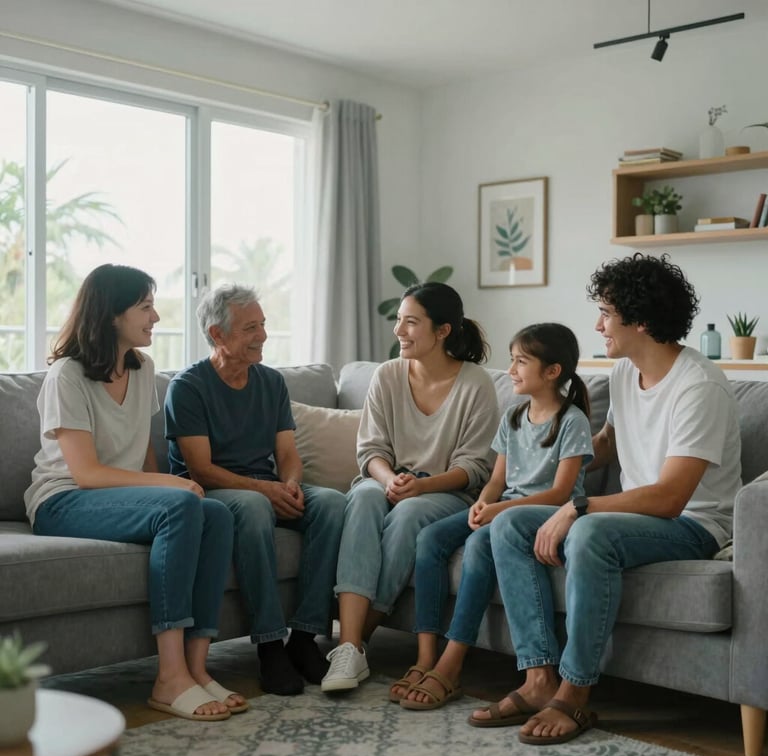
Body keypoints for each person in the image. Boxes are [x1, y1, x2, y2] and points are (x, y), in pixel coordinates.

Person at [470, 253, 741, 744]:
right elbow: (602, 447)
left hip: (695, 525)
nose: (597, 325)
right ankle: (538, 679)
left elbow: (670, 497)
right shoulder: (623, 374)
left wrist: (575, 508)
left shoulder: (699, 387)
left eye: (606, 313)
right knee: (510, 524)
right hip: (636, 514)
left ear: (639, 319)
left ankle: (574, 694)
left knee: (590, 532)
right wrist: (538, 481)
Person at [24, 264, 241, 722]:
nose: (156, 317)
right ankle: (169, 677)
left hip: (115, 498)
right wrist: (171, 488)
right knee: (183, 501)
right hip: (62, 502)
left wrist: (168, 490)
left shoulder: (142, 368)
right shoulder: (66, 375)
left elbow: (140, 449)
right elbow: (85, 473)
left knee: (216, 514)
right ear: (110, 315)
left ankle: (197, 668)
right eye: (145, 307)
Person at [398, 323, 593, 710]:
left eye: (521, 362)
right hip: (503, 507)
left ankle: (452, 663)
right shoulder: (514, 416)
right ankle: (426, 655)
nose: (511, 370)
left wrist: (498, 511)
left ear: (552, 371)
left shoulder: (572, 422)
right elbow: (497, 479)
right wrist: (481, 503)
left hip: (543, 514)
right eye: (512, 360)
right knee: (430, 539)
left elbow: (559, 492)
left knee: (477, 546)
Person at [164, 284, 346, 696]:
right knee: (252, 506)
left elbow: (287, 453)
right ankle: (269, 644)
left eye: (262, 325)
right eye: (250, 328)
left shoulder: (272, 383)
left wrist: (291, 485)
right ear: (217, 334)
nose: (262, 335)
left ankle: (303, 638)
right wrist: (265, 490)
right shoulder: (188, 387)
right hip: (210, 494)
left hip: (264, 486)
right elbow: (201, 469)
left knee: (333, 504)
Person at [321, 282, 499, 693]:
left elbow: (474, 468)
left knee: (408, 515)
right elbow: (371, 451)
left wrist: (421, 487)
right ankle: (348, 646)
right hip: (389, 481)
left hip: (445, 492)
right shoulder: (387, 375)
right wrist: (389, 479)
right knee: (363, 496)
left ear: (443, 331)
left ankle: (360, 636)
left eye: (411, 322)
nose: (399, 330)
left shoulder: (476, 384)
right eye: (398, 320)